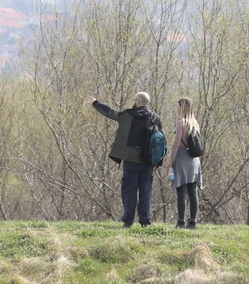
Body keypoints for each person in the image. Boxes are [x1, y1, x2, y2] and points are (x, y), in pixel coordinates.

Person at [87, 92, 163, 228]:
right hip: (148, 161)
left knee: (129, 190)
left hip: (131, 159)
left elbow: (111, 113)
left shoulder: (128, 115)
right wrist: (159, 161)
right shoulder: (155, 118)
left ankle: (128, 221)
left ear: (138, 102)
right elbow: (161, 140)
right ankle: (145, 221)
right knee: (145, 191)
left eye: (135, 100)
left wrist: (95, 103)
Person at [167, 97, 203, 229]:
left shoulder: (180, 122)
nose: (177, 109)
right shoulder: (195, 122)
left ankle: (181, 222)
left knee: (181, 190)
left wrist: (171, 160)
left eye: (178, 106)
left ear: (182, 107)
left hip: (182, 158)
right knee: (193, 192)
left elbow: (177, 143)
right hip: (194, 160)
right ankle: (192, 222)